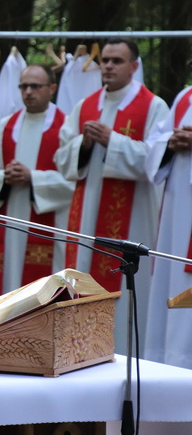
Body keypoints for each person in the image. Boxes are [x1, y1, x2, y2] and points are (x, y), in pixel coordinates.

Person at [54, 38, 168, 349]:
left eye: (117, 61)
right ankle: (80, 350)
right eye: (105, 60)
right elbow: (62, 158)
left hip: (133, 217)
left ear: (134, 66)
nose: (108, 66)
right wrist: (85, 145)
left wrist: (112, 140)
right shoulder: (84, 106)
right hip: (87, 218)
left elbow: (157, 161)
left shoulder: (154, 106)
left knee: (129, 290)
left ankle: (128, 349)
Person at [0, 64, 75, 299]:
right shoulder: (5, 126)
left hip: (51, 225)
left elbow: (75, 182)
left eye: (35, 86)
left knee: (47, 290)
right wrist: (4, 177)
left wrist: (33, 178)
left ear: (52, 88)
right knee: (8, 286)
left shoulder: (66, 127)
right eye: (24, 86)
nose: (28, 91)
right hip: (10, 222)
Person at [143, 86, 192, 368]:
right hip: (176, 216)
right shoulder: (185, 96)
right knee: (172, 283)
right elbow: (154, 141)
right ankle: (171, 366)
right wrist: (169, 143)